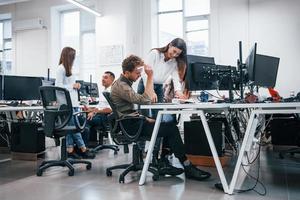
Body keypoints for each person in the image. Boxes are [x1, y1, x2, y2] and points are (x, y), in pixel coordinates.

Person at [110, 55, 211, 181]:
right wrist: (150, 76)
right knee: (171, 129)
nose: (139, 75)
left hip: (133, 123)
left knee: (167, 126)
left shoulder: (124, 84)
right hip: (132, 127)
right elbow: (144, 100)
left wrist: (146, 119)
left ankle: (164, 163)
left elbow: (128, 112)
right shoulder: (122, 86)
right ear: (126, 72)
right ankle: (187, 166)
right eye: (137, 73)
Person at [137, 38, 189, 165]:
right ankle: (139, 153)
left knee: (158, 121)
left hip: (159, 87)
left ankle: (155, 155)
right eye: (174, 51)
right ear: (170, 45)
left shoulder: (174, 62)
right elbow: (145, 74)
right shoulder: (155, 53)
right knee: (141, 118)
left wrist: (178, 92)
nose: (175, 55)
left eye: (178, 54)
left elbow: (176, 79)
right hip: (145, 85)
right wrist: (150, 90)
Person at [55, 46, 95, 159]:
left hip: (73, 102)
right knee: (74, 127)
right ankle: (83, 148)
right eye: (73, 57)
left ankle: (70, 149)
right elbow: (58, 86)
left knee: (71, 127)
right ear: (68, 57)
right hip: (66, 104)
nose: (74, 59)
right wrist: (72, 85)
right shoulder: (61, 69)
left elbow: (68, 86)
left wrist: (76, 86)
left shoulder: (67, 69)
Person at [85, 71, 115, 145]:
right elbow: (101, 107)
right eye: (102, 77)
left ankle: (85, 145)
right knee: (86, 116)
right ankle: (92, 143)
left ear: (112, 80)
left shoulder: (112, 92)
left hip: (107, 117)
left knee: (85, 120)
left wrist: (94, 112)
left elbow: (111, 109)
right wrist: (90, 110)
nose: (103, 79)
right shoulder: (104, 91)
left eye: (105, 78)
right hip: (101, 115)